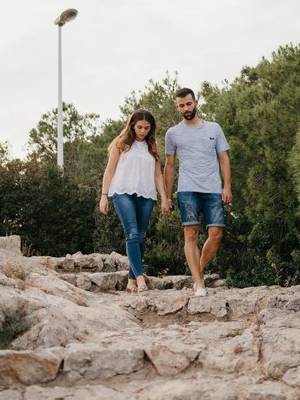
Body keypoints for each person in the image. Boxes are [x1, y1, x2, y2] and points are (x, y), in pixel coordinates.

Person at [164, 88, 232, 297]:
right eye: (181, 105)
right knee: (191, 234)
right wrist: (166, 197)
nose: (186, 108)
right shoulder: (173, 133)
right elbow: (169, 166)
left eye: (189, 104)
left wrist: (227, 186)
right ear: (177, 107)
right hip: (187, 190)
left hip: (212, 189)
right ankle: (199, 284)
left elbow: (224, 158)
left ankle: (199, 271)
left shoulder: (214, 128)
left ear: (196, 103)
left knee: (216, 234)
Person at [99, 109, 171, 293]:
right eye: (139, 127)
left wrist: (164, 198)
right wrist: (104, 196)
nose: (143, 131)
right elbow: (109, 170)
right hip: (123, 192)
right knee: (131, 233)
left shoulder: (152, 147)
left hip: (146, 195)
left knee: (140, 237)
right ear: (132, 125)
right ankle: (140, 279)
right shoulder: (121, 144)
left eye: (147, 128)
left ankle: (131, 280)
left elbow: (157, 175)